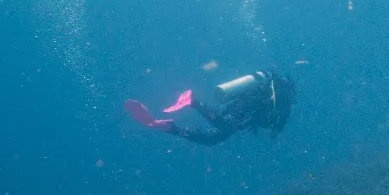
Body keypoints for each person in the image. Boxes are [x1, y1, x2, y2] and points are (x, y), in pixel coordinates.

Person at [125, 69, 295, 145]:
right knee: (225, 125)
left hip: (241, 106)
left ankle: (171, 128)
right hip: (247, 108)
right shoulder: (284, 99)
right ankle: (192, 101)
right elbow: (277, 125)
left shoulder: (274, 91)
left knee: (212, 139)